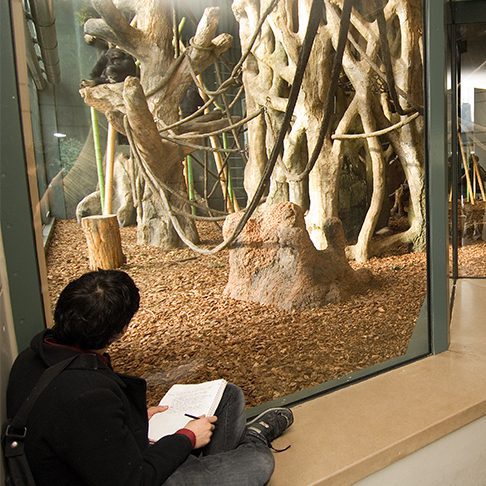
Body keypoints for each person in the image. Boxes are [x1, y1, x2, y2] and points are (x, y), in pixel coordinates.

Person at [6, 269, 293, 485]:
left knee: (228, 394)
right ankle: (252, 439)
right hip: (137, 476)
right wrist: (186, 438)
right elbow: (134, 478)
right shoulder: (85, 395)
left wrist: (136, 418)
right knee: (257, 462)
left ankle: (210, 466)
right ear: (119, 332)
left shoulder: (35, 356)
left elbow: (82, 434)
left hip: (108, 458)